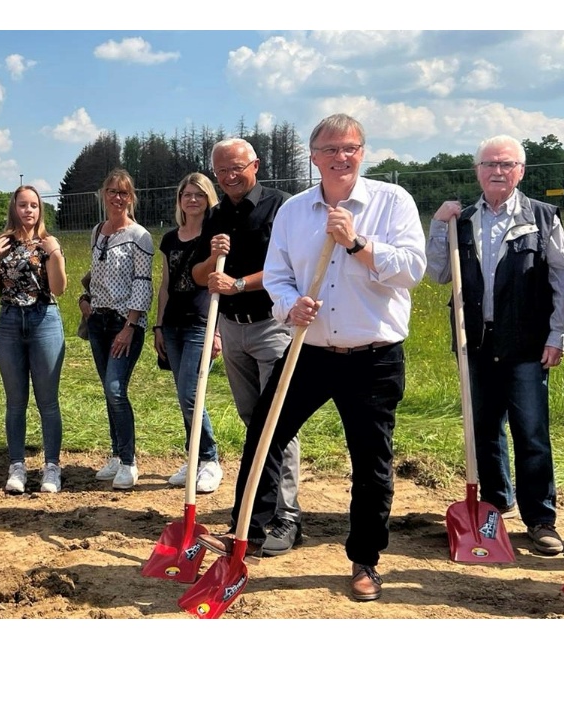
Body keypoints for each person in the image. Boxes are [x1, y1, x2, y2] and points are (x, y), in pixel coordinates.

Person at [198, 114, 426, 602]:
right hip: (310, 350)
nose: (341, 157)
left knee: (371, 460)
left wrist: (358, 243)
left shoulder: (392, 202)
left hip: (374, 356)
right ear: (313, 156)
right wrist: (288, 304)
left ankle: (365, 559)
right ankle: (249, 535)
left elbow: (411, 270)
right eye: (330, 149)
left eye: (351, 148)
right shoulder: (296, 212)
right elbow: (278, 275)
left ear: (362, 152)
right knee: (264, 433)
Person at [427, 135, 564, 556]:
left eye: (507, 164)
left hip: (527, 345)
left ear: (521, 171)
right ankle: (495, 505)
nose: (497, 171)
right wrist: (439, 226)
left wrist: (556, 335)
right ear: (476, 170)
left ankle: (541, 519)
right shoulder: (462, 219)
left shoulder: (543, 217)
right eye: (489, 163)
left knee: (531, 432)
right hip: (475, 342)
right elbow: (438, 274)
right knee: (484, 430)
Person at [192, 138, 302, 556]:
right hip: (232, 329)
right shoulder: (216, 214)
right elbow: (202, 275)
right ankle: (261, 503)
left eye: (236, 168)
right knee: (251, 419)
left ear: (254, 164)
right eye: (221, 171)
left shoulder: (281, 207)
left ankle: (287, 516)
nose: (229, 177)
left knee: (278, 422)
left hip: (272, 325)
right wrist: (213, 259)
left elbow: (288, 268)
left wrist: (238, 283)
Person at [0, 185, 67, 494]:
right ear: (13, 208)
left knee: (48, 401)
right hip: (9, 324)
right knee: (15, 402)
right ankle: (17, 466)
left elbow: (59, 288)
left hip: (44, 319)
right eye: (22, 205)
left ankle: (52, 468)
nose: (28, 210)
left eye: (33, 205)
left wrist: (55, 254)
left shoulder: (48, 243)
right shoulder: (0, 244)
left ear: (40, 210)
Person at [77, 168, 154, 490]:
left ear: (131, 197)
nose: (117, 198)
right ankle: (115, 453)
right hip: (98, 321)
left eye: (123, 192)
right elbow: (96, 273)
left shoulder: (140, 236)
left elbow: (142, 283)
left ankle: (129, 461)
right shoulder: (98, 231)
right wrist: (85, 299)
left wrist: (130, 325)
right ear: (103, 195)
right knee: (108, 391)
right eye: (112, 191)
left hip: (125, 323)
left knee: (115, 389)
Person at [154, 172, 223, 496]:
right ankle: (195, 458)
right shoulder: (170, 239)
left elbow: (221, 283)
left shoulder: (216, 237)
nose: (192, 199)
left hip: (201, 324)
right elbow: (166, 285)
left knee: (191, 395)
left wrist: (219, 331)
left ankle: (209, 459)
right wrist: (158, 327)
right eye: (186, 194)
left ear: (208, 198)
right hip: (173, 325)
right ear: (179, 200)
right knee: (185, 396)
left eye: (198, 194)